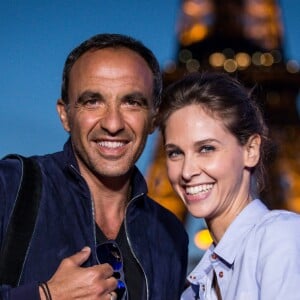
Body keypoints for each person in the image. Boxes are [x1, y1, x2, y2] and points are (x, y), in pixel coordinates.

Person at [0, 33, 188, 300]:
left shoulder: (170, 234)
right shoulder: (10, 187)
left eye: (131, 102)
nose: (113, 124)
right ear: (65, 115)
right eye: (92, 101)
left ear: (153, 119)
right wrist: (44, 296)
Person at [157, 72, 300, 300]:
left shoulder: (281, 237)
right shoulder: (195, 288)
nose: (186, 171)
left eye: (206, 148)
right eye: (175, 153)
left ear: (251, 151)